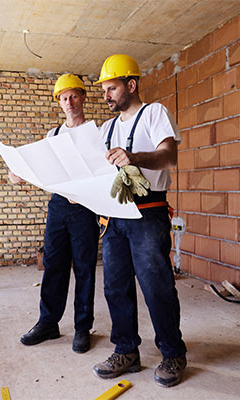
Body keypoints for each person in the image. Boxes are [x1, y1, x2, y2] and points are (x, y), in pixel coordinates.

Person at [92, 54, 188, 387]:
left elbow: (169, 156)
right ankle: (126, 351)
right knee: (115, 286)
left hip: (149, 213)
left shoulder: (154, 114)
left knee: (156, 286)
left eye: (112, 88)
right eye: (104, 89)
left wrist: (133, 157)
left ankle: (173, 354)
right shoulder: (106, 129)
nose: (106, 95)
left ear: (131, 85)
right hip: (114, 215)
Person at [10, 73, 100, 354]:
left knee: (85, 268)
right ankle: (48, 322)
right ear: (59, 103)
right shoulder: (54, 135)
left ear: (83, 97)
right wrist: (19, 172)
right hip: (59, 207)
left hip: (85, 208)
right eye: (64, 97)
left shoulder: (95, 133)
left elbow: (101, 172)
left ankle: (82, 328)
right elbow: (41, 168)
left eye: (74, 95)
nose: (69, 102)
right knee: (54, 265)